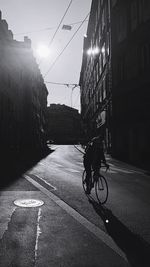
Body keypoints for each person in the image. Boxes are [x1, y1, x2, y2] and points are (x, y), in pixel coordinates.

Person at [83, 130, 109, 194]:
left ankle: (92, 183)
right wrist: (104, 162)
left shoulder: (100, 143)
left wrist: (105, 162)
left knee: (96, 172)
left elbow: (101, 154)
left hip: (95, 159)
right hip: (88, 159)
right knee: (89, 173)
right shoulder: (94, 141)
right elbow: (91, 152)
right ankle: (87, 186)